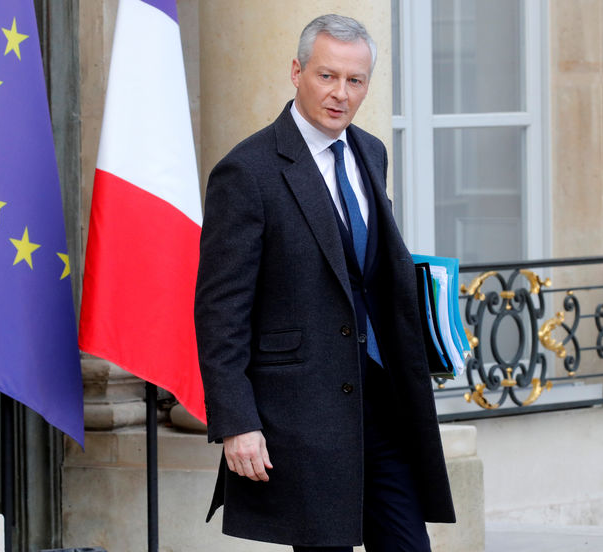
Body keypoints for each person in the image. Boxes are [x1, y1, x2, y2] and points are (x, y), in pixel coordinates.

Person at [194, 14, 455, 551]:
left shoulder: (370, 152)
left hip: (383, 405)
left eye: (354, 80)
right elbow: (221, 312)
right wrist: (237, 422)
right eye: (326, 76)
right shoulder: (247, 172)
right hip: (302, 417)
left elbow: (370, 273)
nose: (340, 94)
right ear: (296, 72)